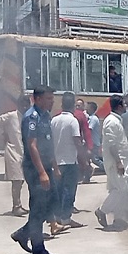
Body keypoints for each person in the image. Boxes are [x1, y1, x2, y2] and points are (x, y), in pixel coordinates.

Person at [9, 86, 61, 254]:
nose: (51, 101)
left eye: (52, 98)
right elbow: (32, 145)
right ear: (36, 99)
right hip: (35, 169)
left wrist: (54, 166)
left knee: (53, 202)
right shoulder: (32, 116)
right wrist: (41, 172)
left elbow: (48, 144)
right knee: (38, 206)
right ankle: (38, 249)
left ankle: (24, 232)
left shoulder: (46, 116)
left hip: (46, 166)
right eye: (48, 98)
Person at [0, 95, 32, 216]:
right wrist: (1, 136)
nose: (24, 107)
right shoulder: (11, 116)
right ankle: (16, 206)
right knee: (17, 181)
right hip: (13, 152)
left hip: (26, 153)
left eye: (26, 105)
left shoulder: (29, 117)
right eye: (22, 105)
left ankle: (22, 205)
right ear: (18, 105)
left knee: (24, 181)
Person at [51, 93, 88, 228]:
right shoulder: (72, 121)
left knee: (58, 190)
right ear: (73, 106)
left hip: (57, 161)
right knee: (69, 190)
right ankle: (66, 218)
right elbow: (77, 141)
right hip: (70, 161)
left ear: (61, 105)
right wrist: (83, 160)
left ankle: (57, 216)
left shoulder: (54, 120)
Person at [96, 95, 128, 231]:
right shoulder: (111, 121)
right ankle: (102, 211)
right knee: (120, 190)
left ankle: (118, 218)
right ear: (119, 106)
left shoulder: (116, 120)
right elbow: (111, 145)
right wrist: (118, 162)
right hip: (115, 163)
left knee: (120, 190)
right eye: (124, 104)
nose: (126, 107)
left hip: (120, 161)